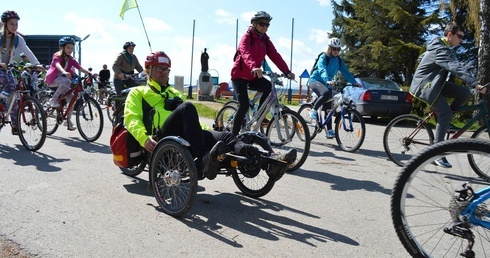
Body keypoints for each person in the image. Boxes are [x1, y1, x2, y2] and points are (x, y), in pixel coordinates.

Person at [124, 51, 296, 180]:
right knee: (187, 107)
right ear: (148, 70)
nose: (164, 72)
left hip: (188, 134)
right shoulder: (139, 92)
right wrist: (143, 138)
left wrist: (208, 131)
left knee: (226, 136)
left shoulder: (174, 92)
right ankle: (204, 159)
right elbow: (131, 118)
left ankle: (268, 161)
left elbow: (193, 122)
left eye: (166, 69)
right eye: (159, 69)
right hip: (162, 135)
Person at [410, 21, 487, 168]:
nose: (461, 40)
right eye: (459, 36)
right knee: (445, 113)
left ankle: (447, 123)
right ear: (450, 34)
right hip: (424, 86)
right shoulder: (441, 49)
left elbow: (422, 58)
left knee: (464, 93)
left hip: (434, 84)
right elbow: (455, 67)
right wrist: (475, 83)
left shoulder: (440, 47)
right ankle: (436, 154)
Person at [230, 11, 295, 136]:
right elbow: (245, 53)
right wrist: (254, 66)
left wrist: (286, 71)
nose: (265, 27)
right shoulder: (247, 37)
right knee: (243, 106)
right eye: (262, 24)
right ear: (254, 24)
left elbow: (275, 55)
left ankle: (258, 115)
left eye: (267, 25)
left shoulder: (265, 40)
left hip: (253, 76)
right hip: (239, 76)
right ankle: (232, 137)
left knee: (269, 87)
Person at [308, 37, 361, 139]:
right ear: (330, 48)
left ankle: (329, 130)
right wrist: (327, 79)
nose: (336, 51)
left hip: (327, 84)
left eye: (338, 49)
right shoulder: (324, 57)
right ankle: (313, 110)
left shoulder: (339, 60)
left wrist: (354, 82)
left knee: (329, 108)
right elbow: (322, 68)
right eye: (334, 49)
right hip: (316, 80)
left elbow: (345, 72)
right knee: (326, 94)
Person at [0, 10, 40, 135]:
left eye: (16, 24)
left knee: (15, 94)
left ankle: (15, 125)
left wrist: (36, 64)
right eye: (11, 24)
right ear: (5, 24)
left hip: (7, 69)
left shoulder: (18, 39)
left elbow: (28, 52)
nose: (14, 26)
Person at [45, 36, 92, 131]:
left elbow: (79, 67)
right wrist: (64, 72)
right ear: (62, 47)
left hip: (63, 82)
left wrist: (89, 73)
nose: (70, 50)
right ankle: (53, 100)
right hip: (53, 80)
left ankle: (68, 121)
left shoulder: (71, 59)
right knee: (67, 81)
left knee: (72, 99)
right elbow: (57, 65)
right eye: (68, 47)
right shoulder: (57, 56)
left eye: (71, 48)